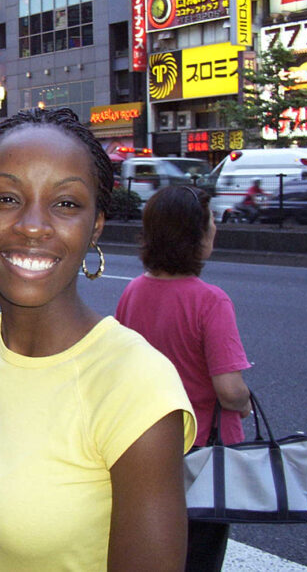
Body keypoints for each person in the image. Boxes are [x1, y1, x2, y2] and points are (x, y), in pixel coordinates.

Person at [0, 107, 196, 571]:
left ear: (95, 225)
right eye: (6, 199)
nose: (34, 225)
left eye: (65, 204)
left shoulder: (137, 387)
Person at [116, 185, 252, 572]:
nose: (215, 231)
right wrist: (242, 405)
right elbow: (229, 389)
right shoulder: (210, 301)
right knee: (201, 554)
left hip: (148, 446)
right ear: (193, 236)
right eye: (209, 224)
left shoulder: (133, 292)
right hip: (204, 452)